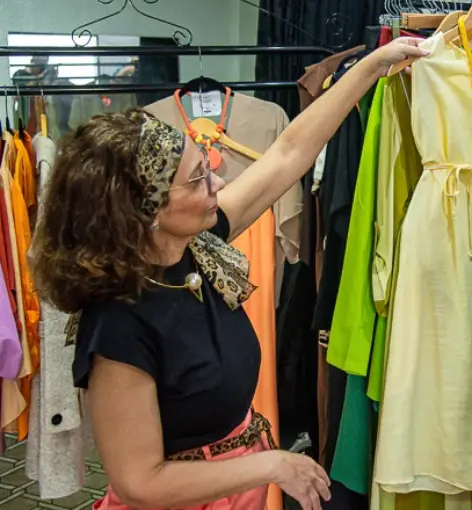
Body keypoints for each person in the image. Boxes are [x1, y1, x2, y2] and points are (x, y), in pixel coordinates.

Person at [31, 38, 427, 510]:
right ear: (146, 210)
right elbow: (139, 482)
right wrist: (272, 464)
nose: (218, 181)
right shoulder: (119, 324)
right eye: (198, 178)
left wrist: (371, 68)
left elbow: (288, 153)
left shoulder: (194, 246)